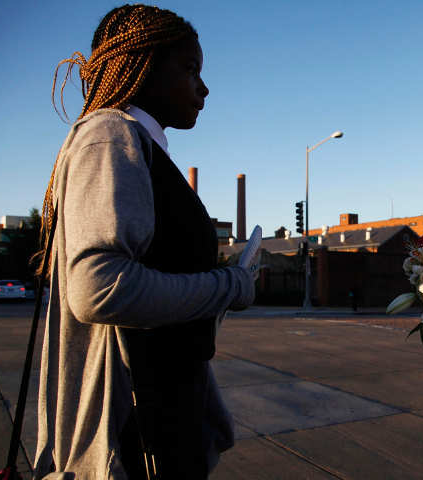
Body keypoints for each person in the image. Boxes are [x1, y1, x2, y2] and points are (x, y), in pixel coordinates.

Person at [33, 5, 257, 479]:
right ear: (144, 66)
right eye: (190, 69)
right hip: (138, 431)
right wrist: (231, 286)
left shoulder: (136, 144)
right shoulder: (111, 136)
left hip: (165, 413)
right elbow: (99, 287)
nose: (204, 87)